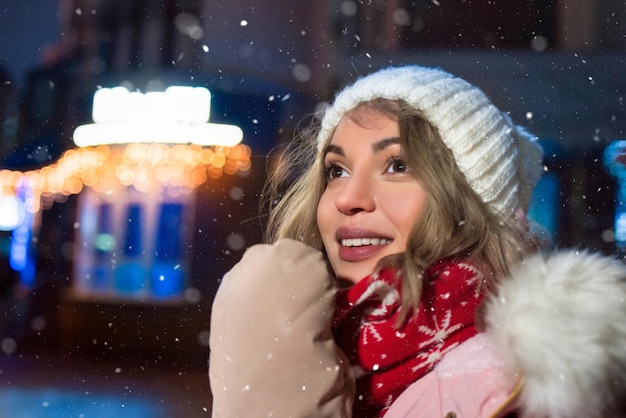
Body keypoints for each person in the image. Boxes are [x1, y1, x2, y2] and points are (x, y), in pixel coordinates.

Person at [209, 65, 626, 417]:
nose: (349, 199)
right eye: (336, 171)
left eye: (397, 164)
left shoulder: (512, 387)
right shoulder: (302, 332)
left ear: (468, 201)